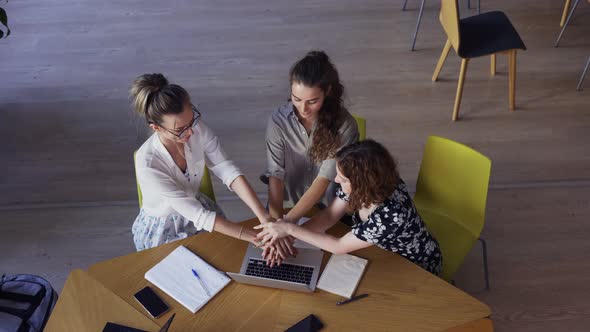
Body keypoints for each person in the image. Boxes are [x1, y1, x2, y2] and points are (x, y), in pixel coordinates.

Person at [129, 73, 294, 258]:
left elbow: (226, 169)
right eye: (180, 130)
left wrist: (265, 218)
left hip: (199, 210)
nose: (191, 132)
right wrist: (256, 237)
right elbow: (198, 215)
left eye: (191, 121)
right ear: (156, 128)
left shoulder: (195, 129)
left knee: (225, 259)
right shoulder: (148, 164)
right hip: (165, 227)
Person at [255, 139, 443, 275]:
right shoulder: (368, 186)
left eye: (342, 179)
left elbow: (338, 246)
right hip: (377, 246)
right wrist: (287, 238)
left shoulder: (390, 216)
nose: (336, 180)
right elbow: (329, 216)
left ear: (362, 183)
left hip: (413, 265)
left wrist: (289, 228)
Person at [263, 50, 359, 224]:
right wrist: (277, 222)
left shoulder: (345, 126)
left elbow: (324, 179)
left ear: (328, 92)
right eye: (296, 99)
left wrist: (288, 224)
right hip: (284, 205)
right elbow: (275, 174)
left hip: (329, 209)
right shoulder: (278, 121)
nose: (303, 109)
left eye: (312, 101)